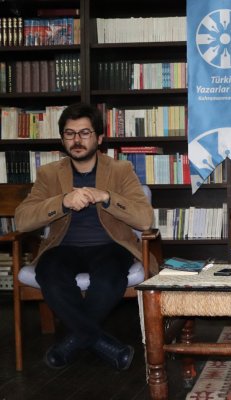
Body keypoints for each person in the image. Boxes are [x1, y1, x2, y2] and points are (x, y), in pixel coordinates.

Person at [15, 103, 154, 371]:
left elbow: (144, 219)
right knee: (49, 274)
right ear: (62, 139)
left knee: (109, 278)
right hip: (63, 246)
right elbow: (22, 220)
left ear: (99, 138)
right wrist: (62, 202)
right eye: (70, 133)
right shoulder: (49, 174)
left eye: (85, 133)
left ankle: (72, 343)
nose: (77, 140)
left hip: (110, 245)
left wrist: (107, 197)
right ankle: (102, 344)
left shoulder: (121, 170)